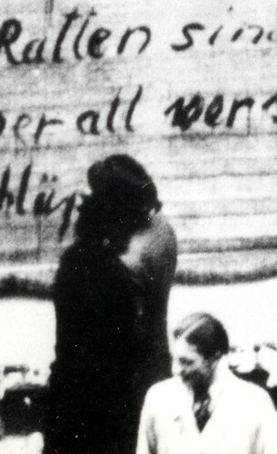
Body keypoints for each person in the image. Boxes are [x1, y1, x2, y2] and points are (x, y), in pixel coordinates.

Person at [46, 175, 161, 454]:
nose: (133, 237)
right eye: (132, 228)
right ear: (116, 224)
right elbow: (125, 348)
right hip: (104, 412)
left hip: (68, 402)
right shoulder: (112, 275)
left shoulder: (72, 262)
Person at [93, 154, 182, 384]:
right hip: (157, 357)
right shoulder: (162, 226)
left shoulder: (131, 257)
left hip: (131, 370)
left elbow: (127, 328)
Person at [136, 313, 276, 454]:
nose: (175, 370)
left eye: (187, 362)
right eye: (174, 359)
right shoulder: (158, 398)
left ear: (215, 357)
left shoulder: (255, 402)